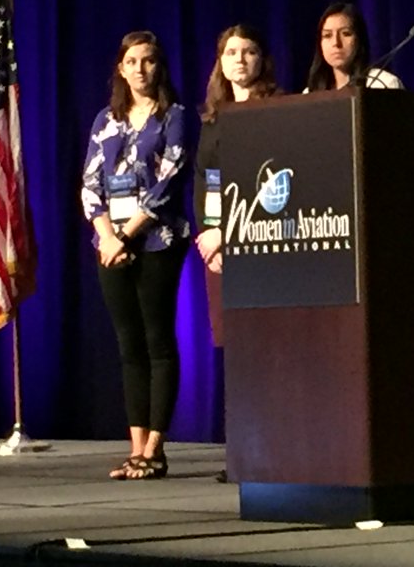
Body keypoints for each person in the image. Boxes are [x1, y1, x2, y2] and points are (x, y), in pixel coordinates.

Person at [81, 31, 191, 481]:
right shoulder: (105, 120)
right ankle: (134, 448)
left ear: (158, 67)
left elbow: (169, 182)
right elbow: (90, 185)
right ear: (121, 69)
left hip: (157, 241)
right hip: (111, 246)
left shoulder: (175, 117)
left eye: (148, 61)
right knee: (129, 348)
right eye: (132, 62)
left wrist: (127, 235)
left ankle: (155, 449)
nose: (140, 70)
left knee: (157, 342)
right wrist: (107, 236)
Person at [193, 24, 281, 484]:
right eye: (231, 52)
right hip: (218, 250)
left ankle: (273, 450)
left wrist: (229, 232)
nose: (239, 60)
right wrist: (210, 237)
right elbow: (204, 182)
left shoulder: (276, 110)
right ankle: (243, 453)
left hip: (260, 243)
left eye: (248, 51)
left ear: (261, 60)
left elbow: (269, 183)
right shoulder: (213, 117)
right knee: (236, 353)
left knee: (267, 351)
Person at [303, 2, 405, 91]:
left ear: (359, 39)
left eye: (346, 33)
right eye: (327, 35)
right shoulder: (310, 93)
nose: (336, 43)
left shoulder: (382, 84)